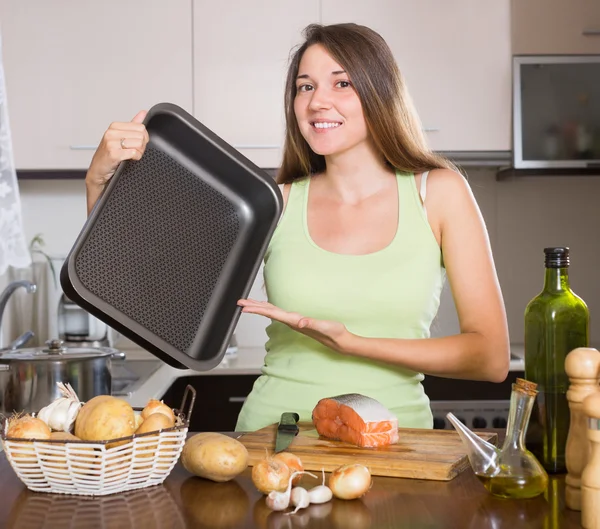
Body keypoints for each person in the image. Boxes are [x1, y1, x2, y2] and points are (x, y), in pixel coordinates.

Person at [84, 23, 510, 433]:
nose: (317, 101)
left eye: (341, 83)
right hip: (274, 438)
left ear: (381, 92)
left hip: (397, 444)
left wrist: (351, 342)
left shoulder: (438, 193)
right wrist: (98, 184)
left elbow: (490, 357)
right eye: (305, 86)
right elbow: (147, 294)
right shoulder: (273, 203)